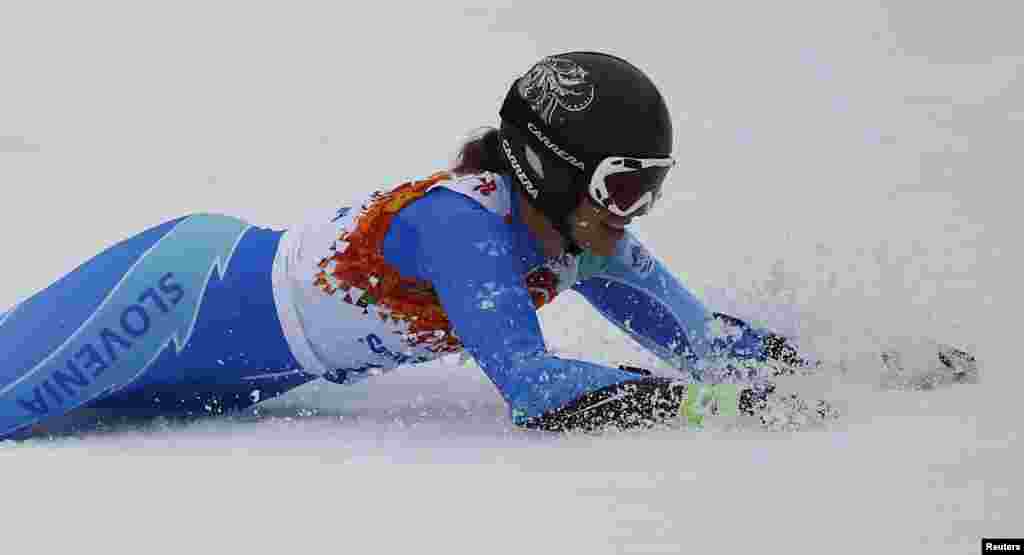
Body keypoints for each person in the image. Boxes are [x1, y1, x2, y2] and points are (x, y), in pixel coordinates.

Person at [0, 51, 821, 440]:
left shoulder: (578, 237)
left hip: (249, 373)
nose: (631, 215)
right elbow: (536, 388)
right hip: (175, 296)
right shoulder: (460, 226)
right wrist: (713, 408)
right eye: (621, 186)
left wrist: (849, 370)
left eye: (648, 187)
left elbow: (701, 341)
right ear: (552, 170)